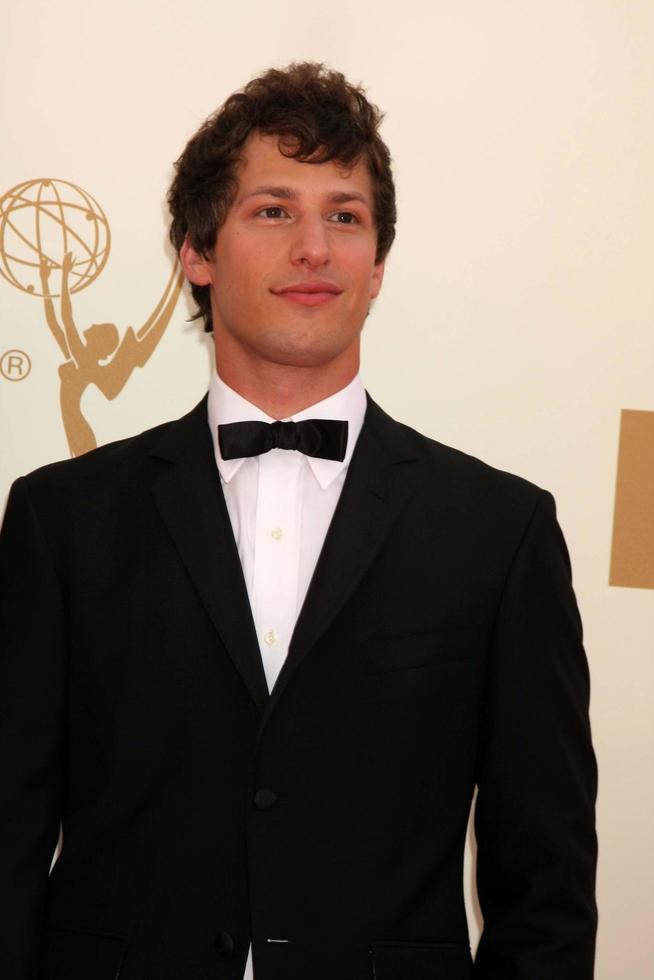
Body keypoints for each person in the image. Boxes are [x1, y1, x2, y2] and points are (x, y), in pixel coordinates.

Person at [0, 62, 597, 980]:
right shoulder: (60, 522)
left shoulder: (500, 533)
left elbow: (546, 891)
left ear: (378, 265)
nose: (315, 248)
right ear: (196, 253)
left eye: (345, 216)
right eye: (274, 210)